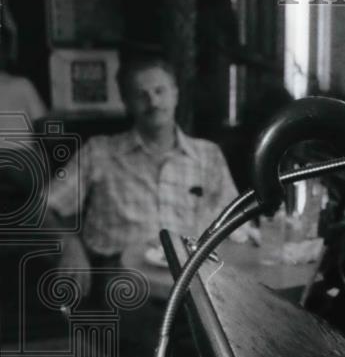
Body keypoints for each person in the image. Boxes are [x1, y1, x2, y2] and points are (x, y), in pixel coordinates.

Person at [47, 51, 249, 266]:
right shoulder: (99, 152)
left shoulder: (208, 155)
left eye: (159, 91)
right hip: (119, 275)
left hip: (193, 273)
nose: (152, 101)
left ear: (175, 95)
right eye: (140, 95)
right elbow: (43, 207)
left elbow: (236, 223)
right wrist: (69, 244)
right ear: (126, 102)